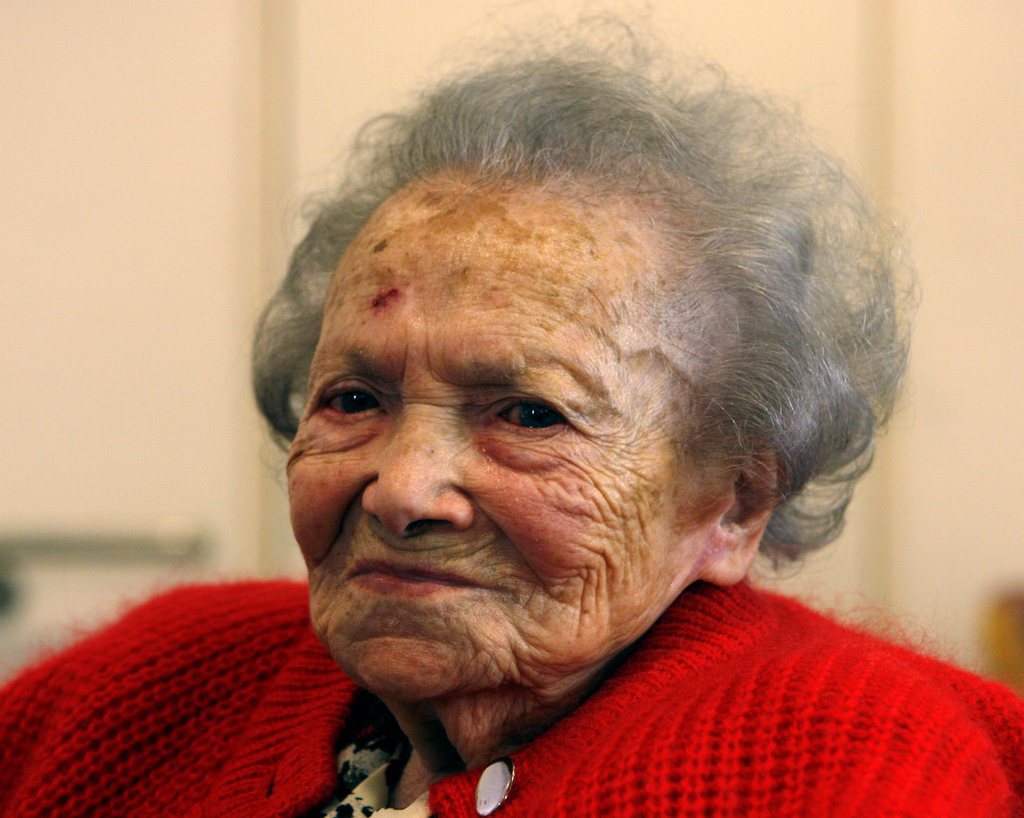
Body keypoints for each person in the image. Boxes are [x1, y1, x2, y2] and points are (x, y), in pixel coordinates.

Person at [1, 36, 1022, 818]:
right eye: (354, 397)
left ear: (732, 501)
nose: (403, 489)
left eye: (528, 413)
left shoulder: (849, 766)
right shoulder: (146, 686)